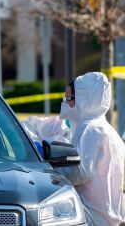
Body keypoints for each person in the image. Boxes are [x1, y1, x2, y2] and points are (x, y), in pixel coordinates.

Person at [58, 72, 125, 226]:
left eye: (69, 99)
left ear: (85, 99)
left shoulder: (90, 129)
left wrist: (54, 169)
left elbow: (80, 172)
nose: (66, 104)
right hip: (105, 215)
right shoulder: (104, 128)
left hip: (92, 216)